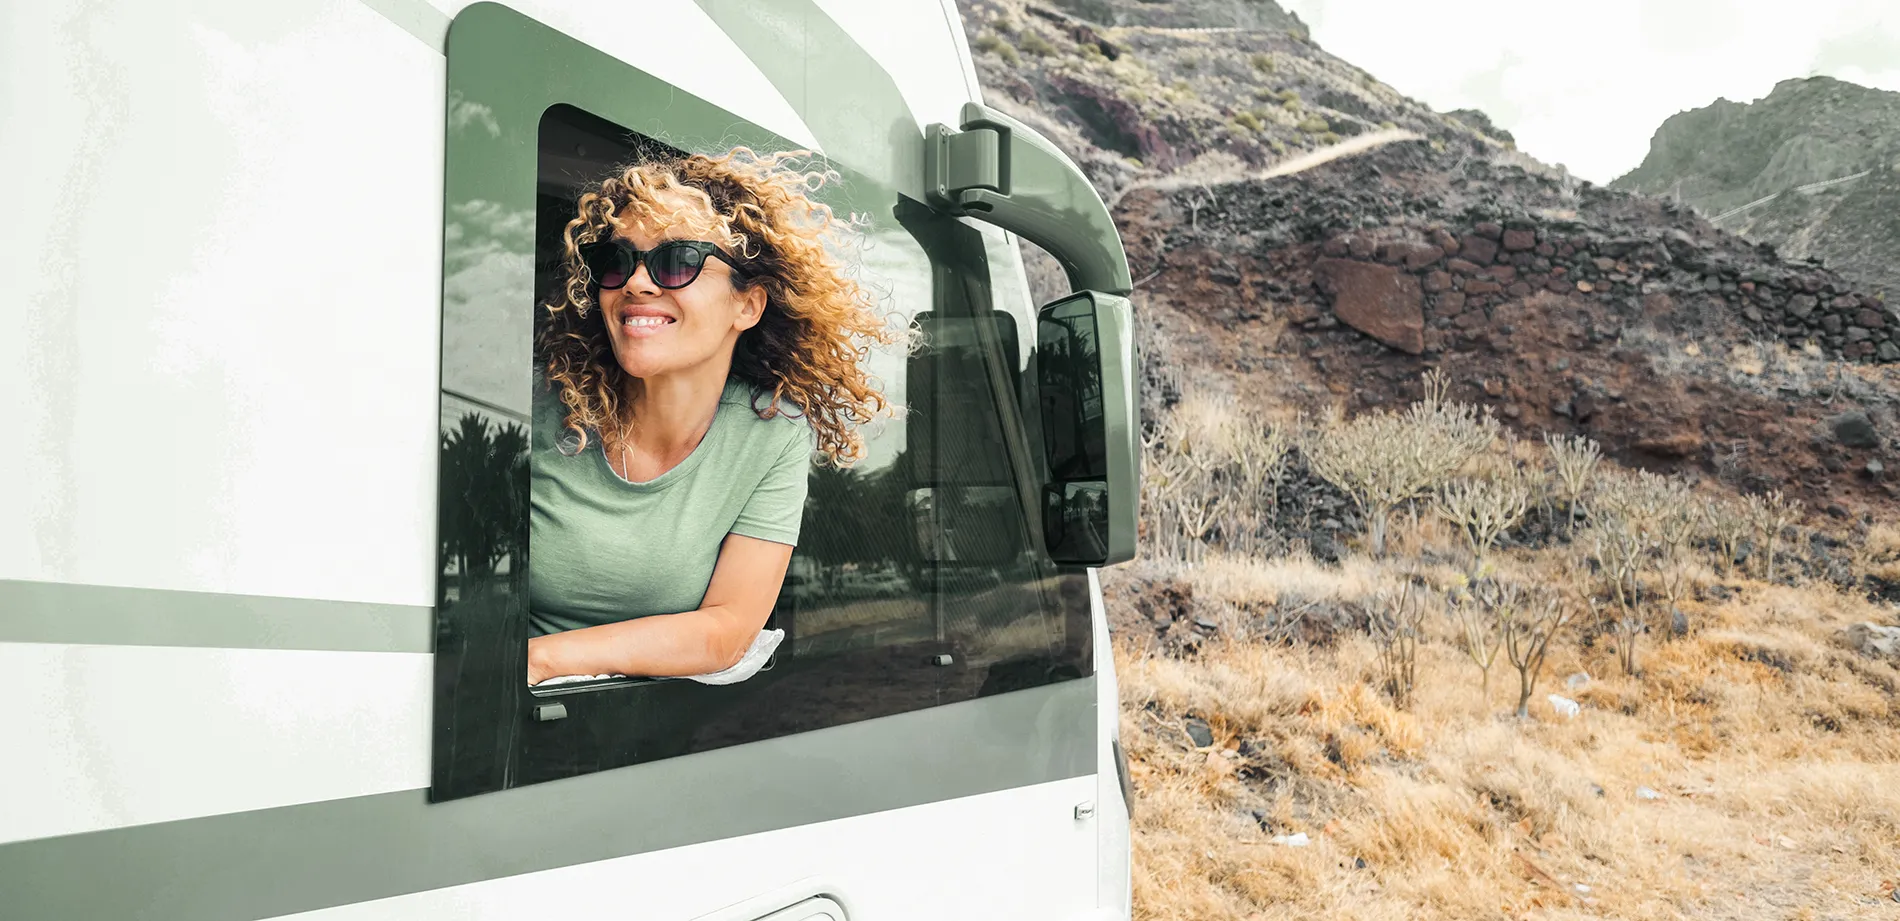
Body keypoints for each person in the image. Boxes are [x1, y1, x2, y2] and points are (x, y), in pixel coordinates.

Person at [525, 148, 899, 686]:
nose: (636, 282)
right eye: (617, 260)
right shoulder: (541, 408)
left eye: (677, 261)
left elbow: (727, 629)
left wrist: (540, 660)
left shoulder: (771, 432)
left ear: (747, 306)